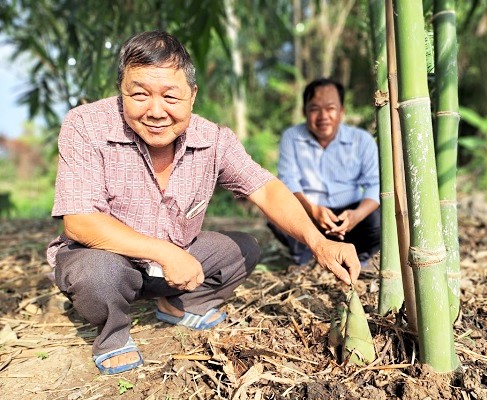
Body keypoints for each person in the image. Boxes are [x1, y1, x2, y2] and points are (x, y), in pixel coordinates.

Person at [46, 31, 361, 375]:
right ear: (121, 92)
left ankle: (178, 304)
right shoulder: (85, 125)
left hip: (172, 264)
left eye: (170, 96)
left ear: (192, 96)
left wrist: (318, 241)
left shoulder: (214, 139)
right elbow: (79, 221)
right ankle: (113, 334)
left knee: (243, 249)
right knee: (97, 275)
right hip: (107, 260)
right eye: (139, 95)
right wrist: (165, 252)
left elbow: (266, 189)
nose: (155, 111)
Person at [268, 78, 381, 267]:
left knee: (380, 219)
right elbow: (288, 181)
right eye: (314, 109)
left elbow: (374, 185)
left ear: (341, 111)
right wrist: (312, 210)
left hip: (350, 216)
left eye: (330, 108)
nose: (323, 116)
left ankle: (359, 257)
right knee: (276, 213)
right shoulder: (291, 137)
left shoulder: (362, 140)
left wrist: (357, 215)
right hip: (308, 215)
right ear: (304, 111)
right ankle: (307, 259)